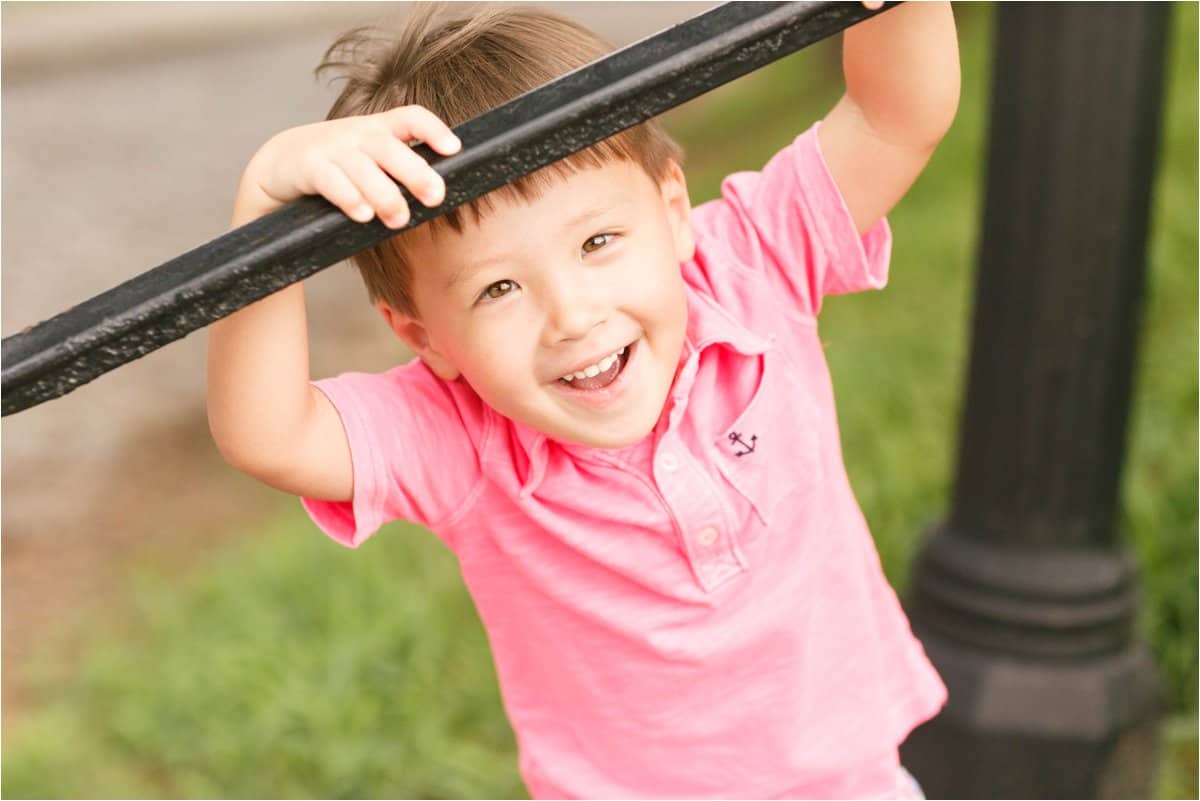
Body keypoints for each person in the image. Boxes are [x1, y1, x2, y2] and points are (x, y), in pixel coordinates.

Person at [207, 2, 960, 798]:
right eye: (499, 288)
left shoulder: (754, 269)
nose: (571, 316)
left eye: (597, 242)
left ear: (673, 213)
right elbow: (271, 434)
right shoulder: (460, 437)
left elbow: (893, 117)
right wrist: (263, 219)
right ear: (423, 334)